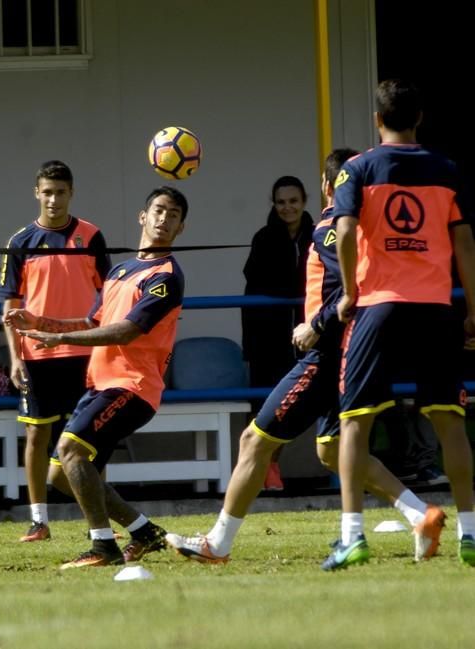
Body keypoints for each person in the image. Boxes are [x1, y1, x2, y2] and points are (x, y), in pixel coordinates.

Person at [164, 148, 447, 564]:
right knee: (332, 450)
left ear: (326, 186)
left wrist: (315, 325)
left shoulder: (333, 229)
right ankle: (421, 514)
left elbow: (350, 292)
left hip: (327, 356)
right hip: (361, 355)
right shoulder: (374, 228)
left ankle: (217, 544)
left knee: (253, 440)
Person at [325, 78, 475, 569]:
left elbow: (344, 229)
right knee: (450, 421)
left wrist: (349, 291)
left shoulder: (358, 169)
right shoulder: (447, 170)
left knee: (355, 424)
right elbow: (466, 245)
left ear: (377, 120)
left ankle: (352, 537)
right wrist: (472, 308)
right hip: (434, 306)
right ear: (420, 118)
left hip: (379, 306)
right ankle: (470, 535)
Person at [6, 186, 187, 569]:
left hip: (132, 386)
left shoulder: (166, 276)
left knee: (70, 451)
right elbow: (94, 322)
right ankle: (143, 531)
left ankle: (103, 546)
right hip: (100, 384)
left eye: (173, 215)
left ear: (181, 228)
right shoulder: (121, 270)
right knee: (61, 474)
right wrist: (40, 322)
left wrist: (60, 339)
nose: (163, 219)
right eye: (158, 210)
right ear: (142, 216)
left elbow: (125, 331)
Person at [0, 160, 111, 543]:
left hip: (83, 352)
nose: (53, 199)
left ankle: (96, 519)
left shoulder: (91, 236)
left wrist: (98, 339)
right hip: (37, 355)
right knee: (36, 436)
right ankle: (38, 520)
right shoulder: (20, 242)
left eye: (60, 192)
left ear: (71, 193)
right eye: (47, 192)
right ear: (36, 193)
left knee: (90, 439)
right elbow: (9, 307)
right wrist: (15, 357)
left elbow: (108, 297)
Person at [241, 176, 314, 491]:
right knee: (265, 408)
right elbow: (259, 282)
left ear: (304, 201)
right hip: (268, 340)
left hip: (309, 336)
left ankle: (271, 465)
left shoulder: (319, 235)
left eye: (293, 201)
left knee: (293, 408)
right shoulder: (264, 238)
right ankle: (261, 469)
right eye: (281, 202)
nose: (288, 208)